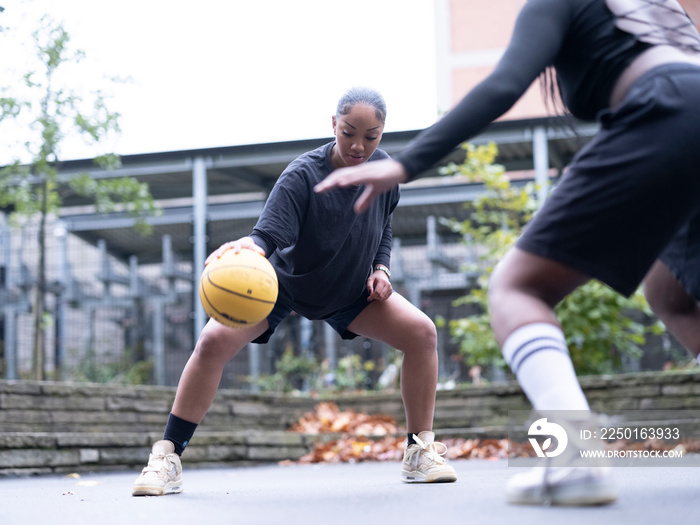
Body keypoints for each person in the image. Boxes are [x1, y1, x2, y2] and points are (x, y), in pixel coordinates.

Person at [315, 0, 700, 507]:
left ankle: (578, 460)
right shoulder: (660, 6)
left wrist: (405, 164)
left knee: (518, 286)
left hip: (666, 109)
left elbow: (503, 86)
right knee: (673, 293)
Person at [131, 87, 457, 496]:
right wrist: (249, 248)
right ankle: (167, 456)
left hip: (349, 289)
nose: (359, 145)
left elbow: (384, 225)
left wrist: (380, 267)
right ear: (332, 125)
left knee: (423, 333)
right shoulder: (302, 175)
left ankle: (418, 451)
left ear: (382, 133)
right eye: (348, 132)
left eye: (371, 136)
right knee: (212, 341)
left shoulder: (384, 172)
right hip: (282, 287)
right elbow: (267, 235)